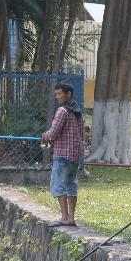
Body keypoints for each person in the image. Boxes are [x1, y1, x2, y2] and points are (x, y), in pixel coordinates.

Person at [42, 83, 85, 227]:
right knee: (71, 185)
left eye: (60, 94)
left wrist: (45, 136)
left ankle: (64, 217)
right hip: (75, 155)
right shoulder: (77, 111)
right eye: (57, 94)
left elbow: (54, 132)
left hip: (62, 155)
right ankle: (72, 218)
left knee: (59, 185)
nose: (57, 97)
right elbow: (81, 134)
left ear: (68, 94)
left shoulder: (62, 111)